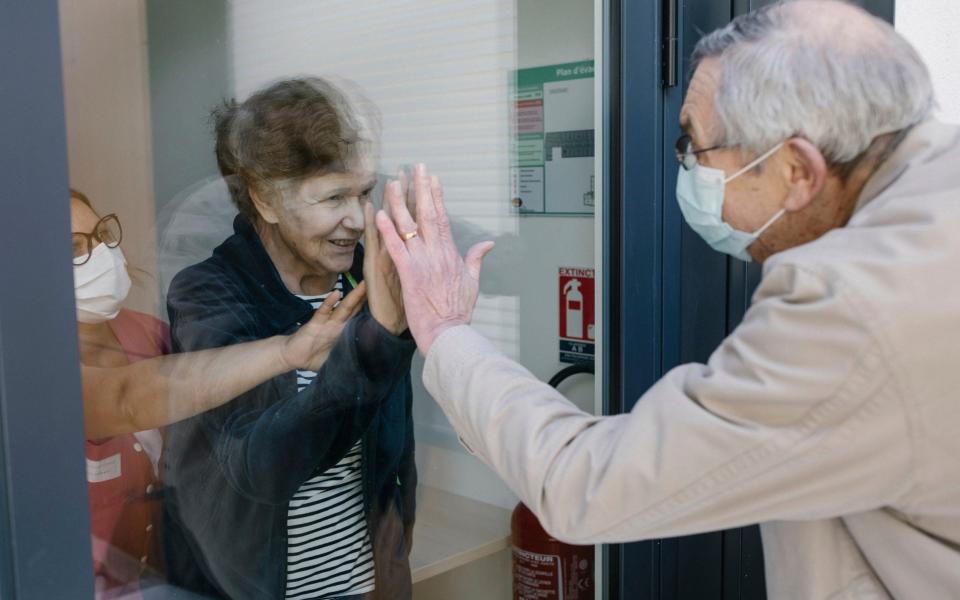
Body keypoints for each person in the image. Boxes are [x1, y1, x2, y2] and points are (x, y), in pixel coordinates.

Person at [375, 2, 960, 598]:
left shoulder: (853, 303)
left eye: (696, 149)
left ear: (797, 170)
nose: (686, 169)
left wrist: (446, 331)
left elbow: (587, 485)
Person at [163, 78, 417, 600]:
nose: (356, 219)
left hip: (366, 583)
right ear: (266, 199)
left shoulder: (369, 278)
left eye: (363, 193)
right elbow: (265, 466)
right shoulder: (208, 296)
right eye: (333, 197)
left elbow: (391, 452)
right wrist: (376, 343)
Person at [72, 189, 365, 598]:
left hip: (156, 572)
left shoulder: (145, 331)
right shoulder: (29, 372)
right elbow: (126, 397)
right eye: (74, 247)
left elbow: (197, 427)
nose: (102, 254)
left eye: (102, 235)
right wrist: (285, 352)